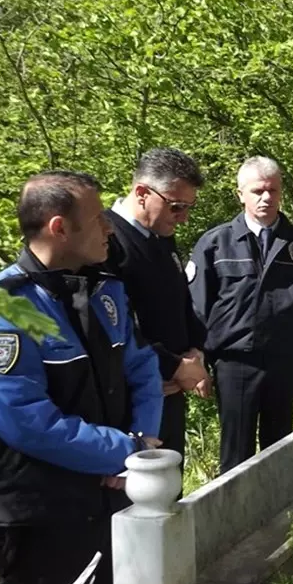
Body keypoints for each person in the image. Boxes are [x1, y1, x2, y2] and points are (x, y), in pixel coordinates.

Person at [0, 171, 163, 584]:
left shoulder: (103, 291)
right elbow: (28, 422)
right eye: (98, 220)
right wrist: (123, 452)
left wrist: (140, 445)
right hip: (38, 515)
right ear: (59, 227)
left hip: (108, 498)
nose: (110, 229)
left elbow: (141, 370)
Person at [187, 157, 293, 474]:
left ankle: (276, 517)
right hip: (235, 363)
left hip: (283, 360)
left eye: (273, 190)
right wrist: (198, 364)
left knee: (279, 448)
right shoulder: (215, 244)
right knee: (236, 454)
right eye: (258, 191)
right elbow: (197, 308)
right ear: (240, 194)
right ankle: (233, 521)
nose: (266, 198)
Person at [103, 147, 209, 463]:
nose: (184, 217)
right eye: (176, 207)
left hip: (174, 390)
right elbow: (115, 323)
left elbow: (181, 301)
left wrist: (195, 352)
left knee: (170, 491)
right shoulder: (107, 239)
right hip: (133, 398)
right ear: (141, 193)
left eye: (189, 207)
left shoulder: (161, 235)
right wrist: (172, 366)